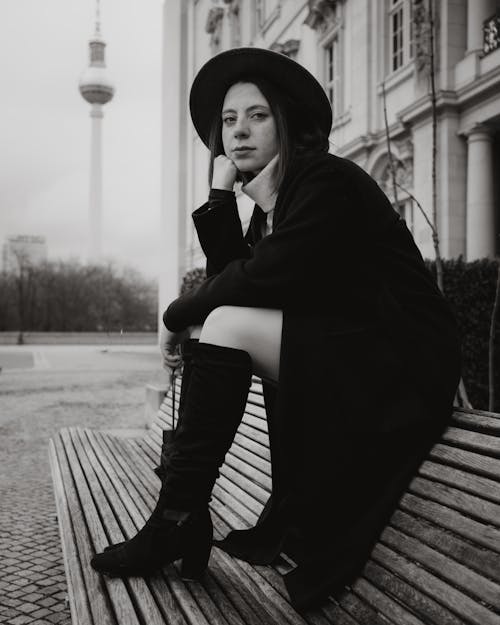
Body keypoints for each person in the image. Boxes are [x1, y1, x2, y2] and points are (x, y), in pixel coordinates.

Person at [91, 47, 461, 610]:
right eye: (229, 120)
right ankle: (180, 517)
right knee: (222, 324)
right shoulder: (276, 202)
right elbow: (233, 280)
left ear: (286, 120)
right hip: (355, 348)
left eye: (257, 115)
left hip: (405, 358)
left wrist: (174, 314)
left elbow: (256, 280)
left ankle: (176, 519)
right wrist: (220, 198)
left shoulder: (326, 181)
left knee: (225, 321)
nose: (238, 131)